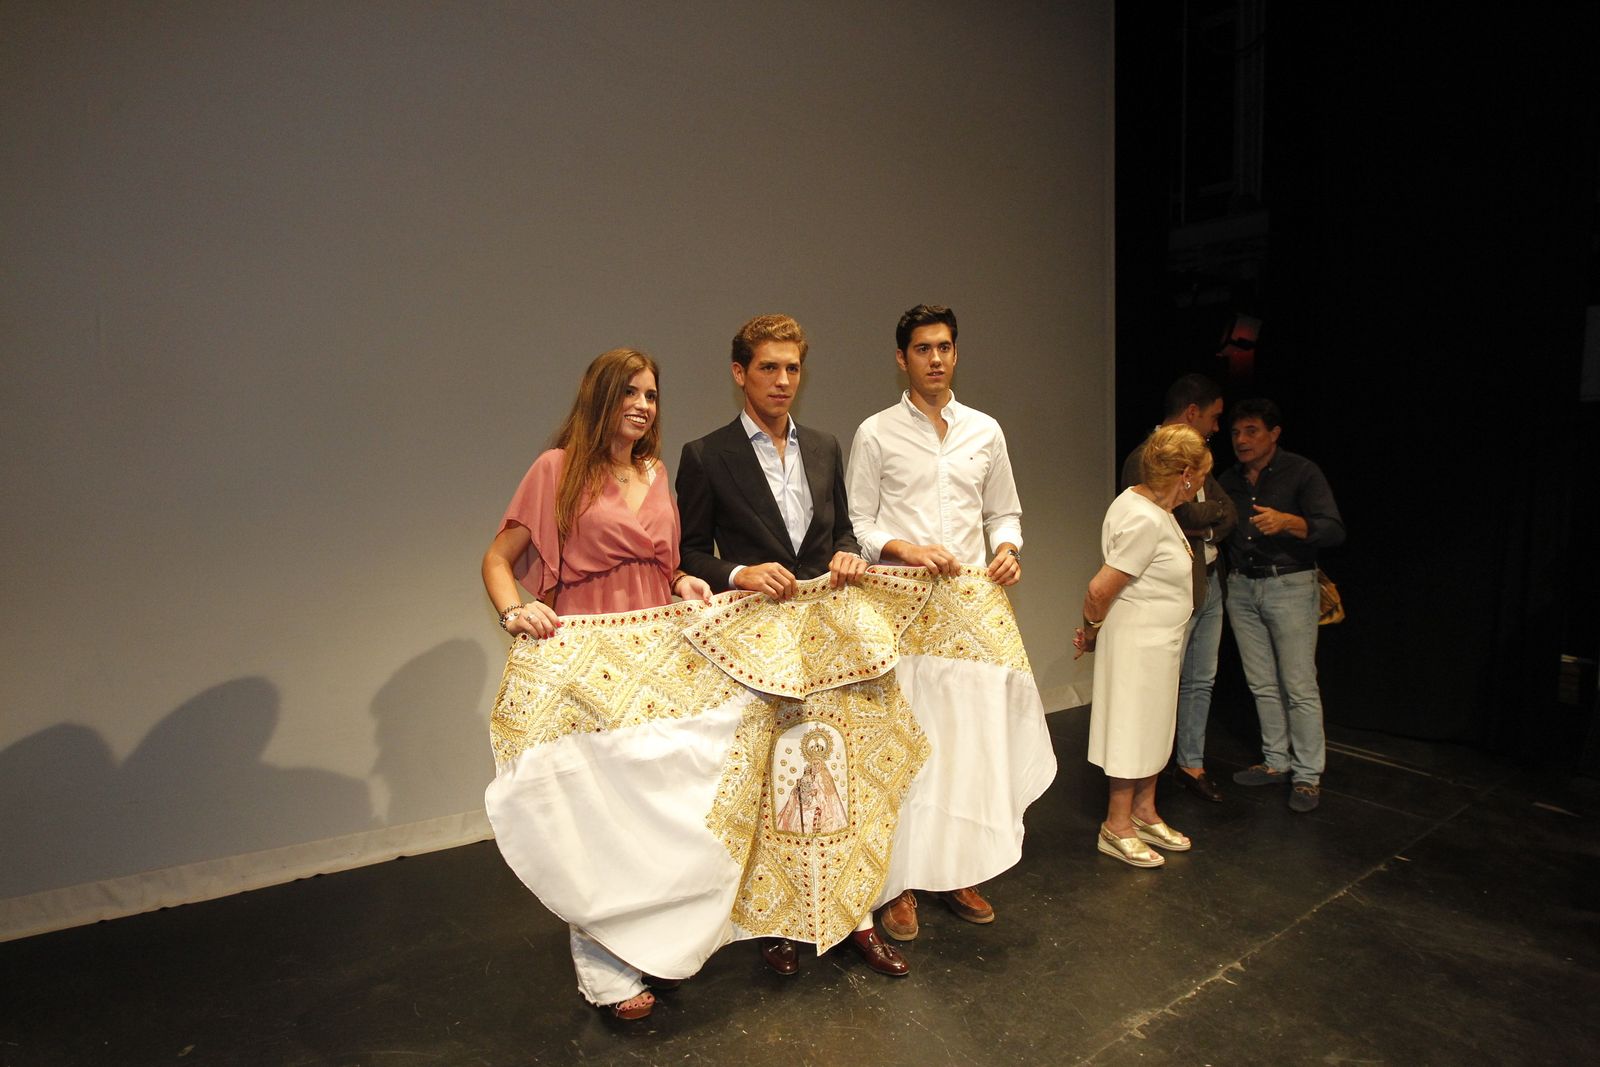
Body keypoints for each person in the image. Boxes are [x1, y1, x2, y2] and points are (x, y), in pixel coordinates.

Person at [481, 348, 712, 1021]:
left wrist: (682, 580)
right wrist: (512, 609)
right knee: (599, 811)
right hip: (587, 662)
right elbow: (498, 558)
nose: (643, 404)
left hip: (659, 661)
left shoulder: (655, 470)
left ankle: (654, 944)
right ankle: (606, 968)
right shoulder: (557, 469)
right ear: (600, 397)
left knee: (656, 806)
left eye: (652, 394)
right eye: (630, 392)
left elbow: (663, 565)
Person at [675, 313, 907, 979]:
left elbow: (839, 535)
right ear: (739, 372)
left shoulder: (827, 447)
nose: (782, 380)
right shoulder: (705, 454)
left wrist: (847, 557)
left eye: (792, 368)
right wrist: (738, 572)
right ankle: (781, 922)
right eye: (768, 367)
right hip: (759, 646)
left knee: (845, 777)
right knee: (780, 785)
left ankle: (856, 915)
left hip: (833, 641)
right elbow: (686, 550)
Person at [847, 303, 1039, 940]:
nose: (936, 358)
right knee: (904, 741)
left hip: (966, 610)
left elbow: (1003, 514)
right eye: (923, 348)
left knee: (963, 740)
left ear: (956, 354)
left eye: (946, 347)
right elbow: (860, 524)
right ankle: (898, 883)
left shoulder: (985, 430)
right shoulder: (875, 433)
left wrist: (1008, 550)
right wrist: (902, 548)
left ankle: (958, 866)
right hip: (898, 607)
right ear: (902, 359)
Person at [1074, 424, 1211, 868]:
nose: (1205, 482)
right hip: (1137, 644)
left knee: (1154, 727)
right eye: (1204, 474)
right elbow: (1099, 590)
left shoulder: (1156, 506)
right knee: (1133, 730)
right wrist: (1091, 631)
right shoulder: (1143, 517)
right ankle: (1116, 826)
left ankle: (1145, 812)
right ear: (1186, 473)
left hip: (1159, 642)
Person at [1218, 398, 1345, 813]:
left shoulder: (1302, 472)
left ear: (1274, 433)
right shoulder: (1229, 480)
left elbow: (1332, 530)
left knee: (1299, 684)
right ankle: (1276, 761)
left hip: (1289, 584)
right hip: (1242, 588)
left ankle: (1307, 775)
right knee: (1261, 682)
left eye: (1251, 431)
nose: (1241, 440)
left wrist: (1289, 521)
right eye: (1236, 432)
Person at [1119, 374, 1236, 802]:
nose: (1216, 427)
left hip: (1208, 582)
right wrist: (1202, 518)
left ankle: (1190, 763)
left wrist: (1202, 519)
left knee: (1200, 679)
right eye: (1213, 417)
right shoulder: (1144, 459)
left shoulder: (1199, 458)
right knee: (1164, 682)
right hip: (1170, 589)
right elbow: (1175, 518)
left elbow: (1228, 513)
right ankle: (1147, 775)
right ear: (1192, 412)